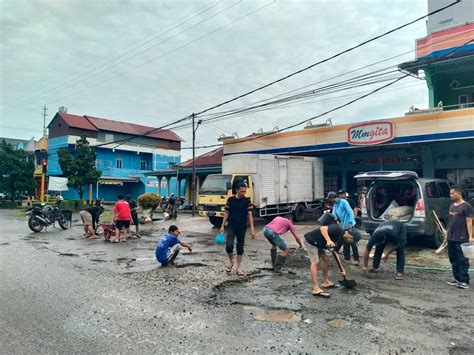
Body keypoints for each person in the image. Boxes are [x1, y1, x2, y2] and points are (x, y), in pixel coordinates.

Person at [304, 224, 354, 298]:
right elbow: (323, 228)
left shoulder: (341, 240)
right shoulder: (338, 230)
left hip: (319, 243)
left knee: (326, 259)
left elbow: (335, 252)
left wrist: (342, 269)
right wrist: (328, 240)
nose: (351, 242)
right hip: (311, 241)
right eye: (352, 240)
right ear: (350, 236)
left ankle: (326, 282)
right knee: (315, 261)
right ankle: (315, 288)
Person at [220, 182, 256, 277]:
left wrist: (252, 228)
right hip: (231, 226)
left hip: (242, 227)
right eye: (241, 191)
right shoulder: (230, 200)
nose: (243, 193)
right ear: (237, 190)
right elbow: (226, 213)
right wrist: (222, 226)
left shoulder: (247, 201)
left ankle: (238, 267)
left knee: (240, 247)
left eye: (245, 191)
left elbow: (250, 215)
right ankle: (231, 261)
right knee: (229, 246)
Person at [446, 186, 473, 290]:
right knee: (453, 258)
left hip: (462, 237)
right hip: (451, 237)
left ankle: (464, 280)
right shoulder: (451, 206)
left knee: (462, 259)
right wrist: (447, 233)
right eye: (450, 194)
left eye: (453, 194)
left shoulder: (466, 206)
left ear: (459, 193)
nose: (451, 196)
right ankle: (457, 279)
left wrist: (471, 236)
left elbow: (470, 222)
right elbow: (450, 221)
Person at [328, 191, 361, 265]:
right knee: (345, 241)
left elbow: (350, 212)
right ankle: (347, 258)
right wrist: (336, 221)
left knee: (352, 241)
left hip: (350, 224)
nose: (330, 201)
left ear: (333, 197)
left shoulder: (344, 202)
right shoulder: (335, 205)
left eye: (330, 199)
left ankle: (356, 259)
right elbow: (334, 215)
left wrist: (350, 223)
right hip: (343, 225)